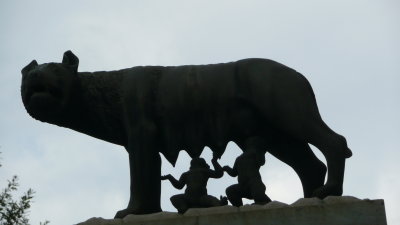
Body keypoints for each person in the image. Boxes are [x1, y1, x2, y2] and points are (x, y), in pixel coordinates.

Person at [161, 156, 227, 213]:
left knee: (213, 201)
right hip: (189, 197)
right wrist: (170, 177)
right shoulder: (188, 174)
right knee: (174, 198)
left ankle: (220, 204)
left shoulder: (203, 171)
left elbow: (179, 186)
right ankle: (183, 207)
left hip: (201, 197)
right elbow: (219, 173)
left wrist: (214, 161)